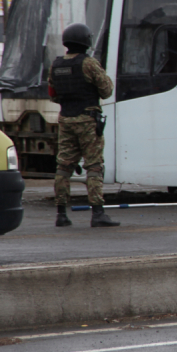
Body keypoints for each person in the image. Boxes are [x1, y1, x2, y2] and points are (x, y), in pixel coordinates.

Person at [48, 23, 118, 227]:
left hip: (66, 119)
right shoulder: (89, 63)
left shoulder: (56, 65)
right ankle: (97, 213)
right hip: (87, 120)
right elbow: (106, 91)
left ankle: (61, 214)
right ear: (86, 41)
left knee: (63, 166)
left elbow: (53, 95)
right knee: (94, 166)